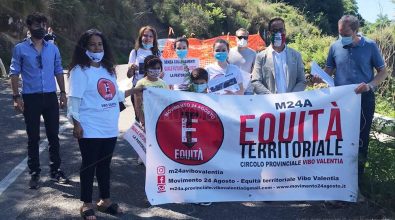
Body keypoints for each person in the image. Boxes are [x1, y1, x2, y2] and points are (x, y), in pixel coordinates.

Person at [68, 29, 142, 220]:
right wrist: (76, 124)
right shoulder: (79, 71)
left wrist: (137, 89)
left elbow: (115, 95)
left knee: (104, 165)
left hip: (109, 126)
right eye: (92, 44)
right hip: (89, 126)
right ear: (84, 47)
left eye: (100, 44)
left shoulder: (107, 69)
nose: (97, 48)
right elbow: (74, 100)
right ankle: (86, 203)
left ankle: (104, 201)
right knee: (89, 165)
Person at [320, 15, 388, 185]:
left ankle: (357, 183)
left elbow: (382, 72)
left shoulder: (370, 46)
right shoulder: (335, 46)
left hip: (363, 100)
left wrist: (370, 86)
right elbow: (328, 69)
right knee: (337, 139)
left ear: (356, 31)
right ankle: (338, 180)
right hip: (340, 101)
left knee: (360, 140)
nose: (342, 36)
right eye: (339, 33)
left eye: (345, 33)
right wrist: (317, 76)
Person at [9, 12, 68, 189]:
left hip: (50, 97)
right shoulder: (20, 49)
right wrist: (16, 96)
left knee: (53, 136)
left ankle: (55, 170)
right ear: (29, 27)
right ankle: (34, 172)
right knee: (33, 137)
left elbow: (58, 70)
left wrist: (63, 92)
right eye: (37, 25)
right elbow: (14, 73)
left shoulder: (53, 48)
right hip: (30, 98)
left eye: (43, 25)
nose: (41, 28)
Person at [251, 17, 306, 94]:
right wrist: (272, 98)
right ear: (269, 33)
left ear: (285, 32)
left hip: (292, 103)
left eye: (281, 30)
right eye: (275, 31)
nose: (278, 33)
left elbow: (302, 80)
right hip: (271, 103)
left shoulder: (296, 56)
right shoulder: (260, 57)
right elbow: (255, 81)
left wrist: (292, 97)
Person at [134, 55, 168, 128]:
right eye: (153, 68)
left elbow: (167, 102)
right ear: (146, 69)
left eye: (158, 68)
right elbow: (138, 105)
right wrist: (142, 121)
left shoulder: (164, 83)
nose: (156, 70)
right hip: (147, 119)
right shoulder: (141, 83)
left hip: (161, 118)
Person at [228, 28, 256, 94]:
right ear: (235, 38)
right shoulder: (229, 52)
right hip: (232, 90)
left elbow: (255, 71)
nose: (242, 39)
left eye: (245, 37)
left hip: (247, 90)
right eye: (240, 37)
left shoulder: (253, 53)